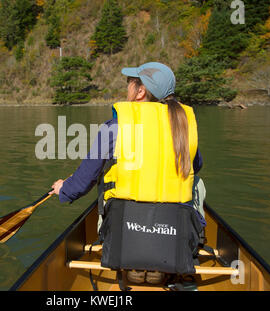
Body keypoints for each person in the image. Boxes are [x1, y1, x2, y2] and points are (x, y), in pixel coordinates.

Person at [49, 62, 206, 285]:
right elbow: (196, 166)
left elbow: (84, 182)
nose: (127, 88)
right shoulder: (184, 125)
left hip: (125, 230)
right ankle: (172, 254)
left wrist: (64, 189)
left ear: (140, 91)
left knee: (108, 178)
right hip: (174, 228)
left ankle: (136, 258)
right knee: (196, 183)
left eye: (129, 83)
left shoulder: (115, 127)